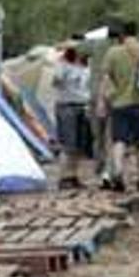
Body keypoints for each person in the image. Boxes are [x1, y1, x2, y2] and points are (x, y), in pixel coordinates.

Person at [98, 21, 139, 191]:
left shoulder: (112, 52)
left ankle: (119, 172)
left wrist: (102, 101)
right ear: (136, 33)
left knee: (119, 140)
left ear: (120, 35)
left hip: (120, 103)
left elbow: (105, 79)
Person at [76, 20, 122, 186]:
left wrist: (89, 36)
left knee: (97, 134)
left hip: (96, 93)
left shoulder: (96, 44)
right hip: (116, 95)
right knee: (112, 135)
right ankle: (110, 170)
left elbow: (79, 48)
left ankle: (100, 166)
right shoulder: (121, 49)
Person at [53, 47, 92, 189]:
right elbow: (56, 81)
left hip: (83, 105)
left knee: (79, 145)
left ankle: (73, 175)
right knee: (67, 144)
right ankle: (63, 177)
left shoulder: (87, 66)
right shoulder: (63, 64)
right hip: (66, 106)